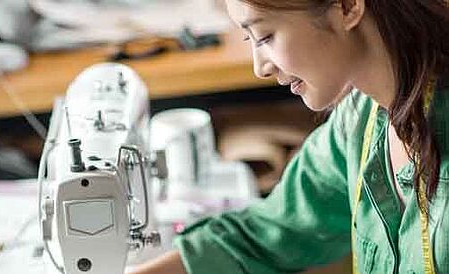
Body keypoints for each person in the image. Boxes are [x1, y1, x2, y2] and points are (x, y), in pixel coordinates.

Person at [129, 0, 449, 273]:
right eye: (250, 40)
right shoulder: (358, 123)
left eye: (265, 36)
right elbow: (266, 233)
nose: (260, 68)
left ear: (348, 6)